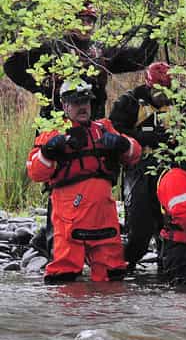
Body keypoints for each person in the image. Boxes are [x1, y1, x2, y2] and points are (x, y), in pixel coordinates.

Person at [25, 81, 141, 283]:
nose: (83, 107)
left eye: (86, 101)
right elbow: (35, 172)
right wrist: (48, 151)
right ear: (64, 105)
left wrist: (124, 144)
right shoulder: (53, 133)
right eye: (76, 102)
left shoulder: (103, 129)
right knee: (64, 275)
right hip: (69, 216)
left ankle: (109, 305)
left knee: (113, 274)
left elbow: (134, 154)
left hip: (104, 215)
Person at [3, 3, 158, 120]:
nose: (86, 26)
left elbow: (140, 59)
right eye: (81, 20)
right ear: (69, 21)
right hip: (56, 123)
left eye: (90, 21)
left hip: (93, 122)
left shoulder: (101, 51)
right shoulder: (52, 47)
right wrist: (41, 90)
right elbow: (12, 65)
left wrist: (156, 32)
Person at [110, 61, 186, 271]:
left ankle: (168, 264)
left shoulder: (183, 102)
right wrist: (143, 137)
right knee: (140, 225)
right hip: (140, 169)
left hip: (172, 170)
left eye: (166, 90)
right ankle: (125, 263)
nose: (162, 95)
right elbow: (114, 131)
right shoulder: (129, 102)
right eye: (158, 91)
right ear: (149, 86)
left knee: (172, 221)